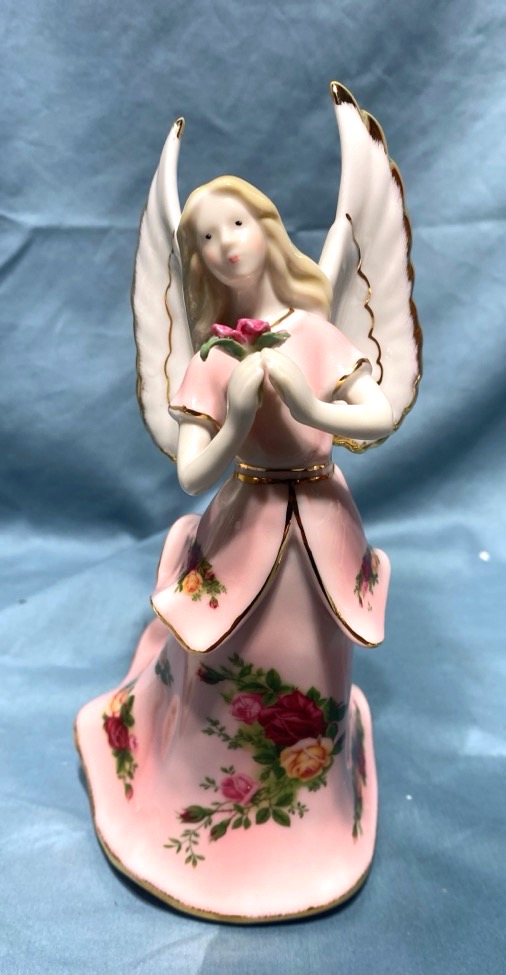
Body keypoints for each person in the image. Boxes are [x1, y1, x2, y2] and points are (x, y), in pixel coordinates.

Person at [76, 176, 394, 921]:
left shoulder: (314, 331)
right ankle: (198, 809)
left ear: (268, 228)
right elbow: (192, 474)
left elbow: (375, 415)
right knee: (228, 659)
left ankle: (314, 809)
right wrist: (238, 419)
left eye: (237, 225)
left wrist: (311, 405)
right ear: (196, 259)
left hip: (321, 516)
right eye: (206, 237)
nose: (226, 246)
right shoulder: (214, 357)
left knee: (315, 654)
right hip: (246, 521)